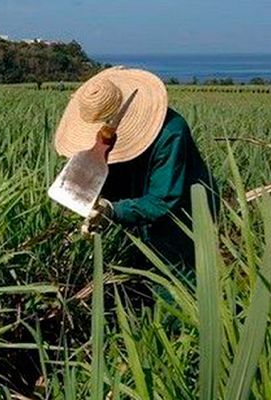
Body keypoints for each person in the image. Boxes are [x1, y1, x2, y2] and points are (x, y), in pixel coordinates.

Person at [54, 67, 218, 278]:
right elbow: (102, 173)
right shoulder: (102, 143)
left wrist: (111, 211)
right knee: (142, 269)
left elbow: (163, 201)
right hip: (140, 201)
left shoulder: (172, 133)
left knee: (173, 274)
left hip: (186, 210)